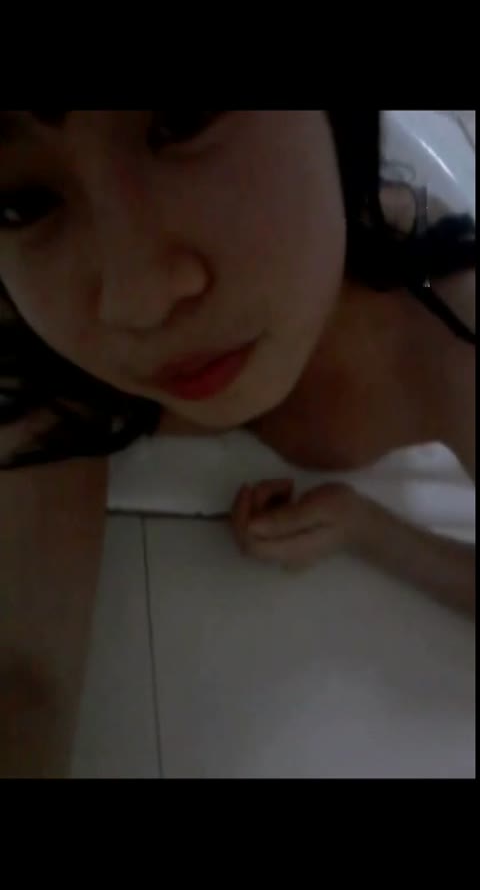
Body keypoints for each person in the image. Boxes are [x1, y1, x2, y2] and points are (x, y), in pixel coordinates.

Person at [0, 111, 475, 777]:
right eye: (22, 201)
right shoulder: (31, 321)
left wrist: (369, 529)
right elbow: (24, 676)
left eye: (184, 119)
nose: (136, 302)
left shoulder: (448, 336)